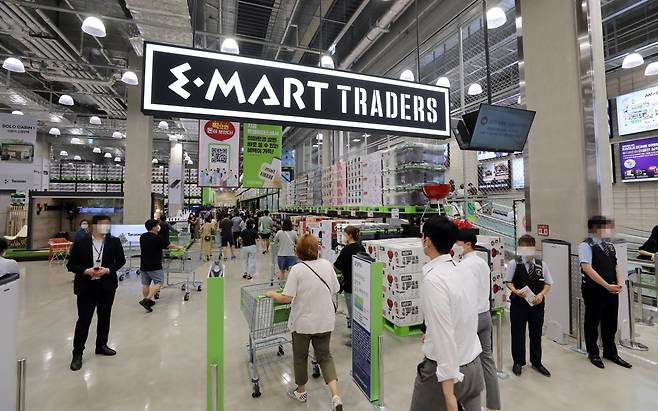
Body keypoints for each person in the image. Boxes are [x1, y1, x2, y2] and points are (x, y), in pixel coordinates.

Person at [410, 216, 483, 411]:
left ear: (427, 241)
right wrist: (431, 332)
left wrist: (449, 393)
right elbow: (465, 314)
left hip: (445, 374)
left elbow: (444, 336)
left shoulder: (434, 279)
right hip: (473, 366)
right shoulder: (463, 270)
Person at [265, 233, 342, 410]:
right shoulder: (327, 265)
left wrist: (272, 294)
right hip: (324, 321)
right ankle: (335, 396)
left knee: (300, 357)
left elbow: (286, 297)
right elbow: (336, 289)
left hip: (302, 323)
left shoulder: (297, 270)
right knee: (325, 356)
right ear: (317, 249)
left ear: (298, 251)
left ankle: (301, 392)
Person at [66, 215, 126, 371]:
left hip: (107, 286)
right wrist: (86, 271)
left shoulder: (114, 241)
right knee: (84, 320)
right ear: (94, 225)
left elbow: (121, 260)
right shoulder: (80, 242)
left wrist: (108, 270)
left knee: (105, 317)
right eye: (103, 224)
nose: (106, 227)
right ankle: (77, 354)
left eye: (108, 224)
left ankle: (101, 345)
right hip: (86, 287)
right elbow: (71, 264)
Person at [455, 230, 501, 411]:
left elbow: (461, 295)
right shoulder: (482, 263)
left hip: (470, 318)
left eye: (458, 243)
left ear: (467, 244)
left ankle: (463, 402)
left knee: (462, 360)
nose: (456, 246)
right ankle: (493, 405)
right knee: (487, 361)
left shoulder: (463, 266)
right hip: (485, 315)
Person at [579, 216, 632, 369]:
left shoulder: (609, 245)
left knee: (610, 321)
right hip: (594, 290)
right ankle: (593, 352)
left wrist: (619, 282)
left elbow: (616, 265)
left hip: (612, 289)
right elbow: (587, 268)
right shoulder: (586, 245)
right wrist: (606, 285)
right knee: (592, 321)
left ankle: (610, 352)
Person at [503, 234, 552, 377]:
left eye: (531, 246)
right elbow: (508, 281)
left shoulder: (541, 265)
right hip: (519, 305)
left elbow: (548, 283)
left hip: (537, 305)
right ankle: (518, 362)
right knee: (518, 333)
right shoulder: (514, 263)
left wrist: (541, 294)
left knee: (536, 333)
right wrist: (515, 291)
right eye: (525, 247)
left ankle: (537, 362)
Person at [138, 219, 184, 312]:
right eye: (157, 225)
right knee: (159, 283)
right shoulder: (157, 237)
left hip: (144, 264)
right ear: (153, 227)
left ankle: (148, 300)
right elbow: (168, 245)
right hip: (154, 264)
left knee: (146, 284)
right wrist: (179, 247)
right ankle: (146, 300)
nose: (159, 227)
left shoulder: (143, 236)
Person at [333, 226, 365, 343]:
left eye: (344, 234)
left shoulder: (346, 250)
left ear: (350, 235)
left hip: (349, 285)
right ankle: (360, 335)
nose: (343, 236)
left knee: (352, 313)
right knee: (359, 312)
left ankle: (356, 340)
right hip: (360, 284)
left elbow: (337, 267)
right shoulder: (360, 247)